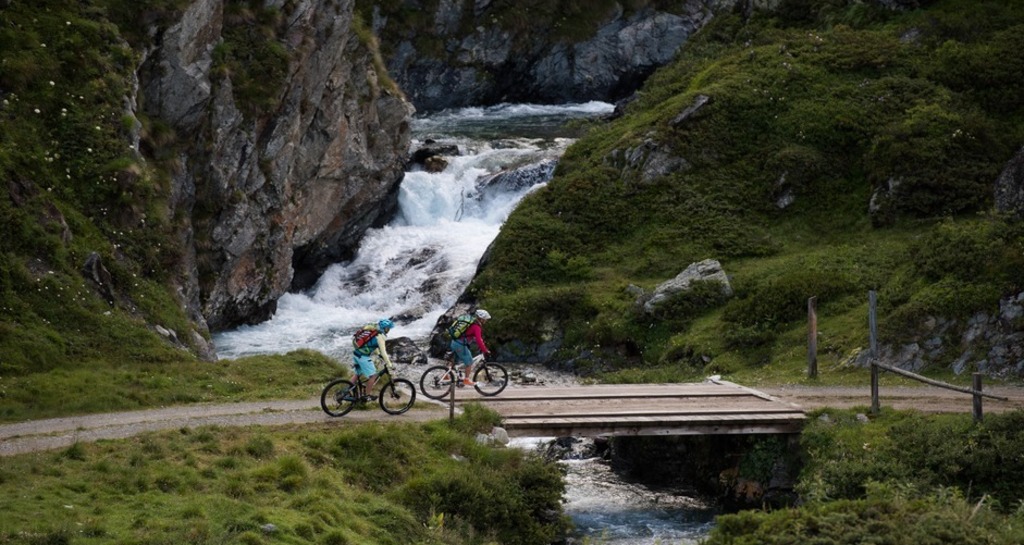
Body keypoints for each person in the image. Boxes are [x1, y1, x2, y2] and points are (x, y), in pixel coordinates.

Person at [351, 318, 395, 401]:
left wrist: (378, 354)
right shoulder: (380, 336)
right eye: (388, 328)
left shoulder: (374, 331)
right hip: (363, 357)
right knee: (373, 376)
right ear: (385, 329)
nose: (389, 330)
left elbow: (372, 344)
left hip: (356, 354)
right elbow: (384, 352)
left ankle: (346, 390)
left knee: (357, 374)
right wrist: (389, 364)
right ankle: (367, 396)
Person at [447, 309, 492, 386]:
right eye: (485, 319)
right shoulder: (476, 327)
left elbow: (471, 336)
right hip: (460, 345)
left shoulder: (471, 323)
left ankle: (447, 376)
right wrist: (485, 350)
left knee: (455, 363)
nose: (486, 321)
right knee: (469, 362)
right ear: (481, 319)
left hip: (454, 342)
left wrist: (482, 344)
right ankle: (466, 380)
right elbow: (478, 340)